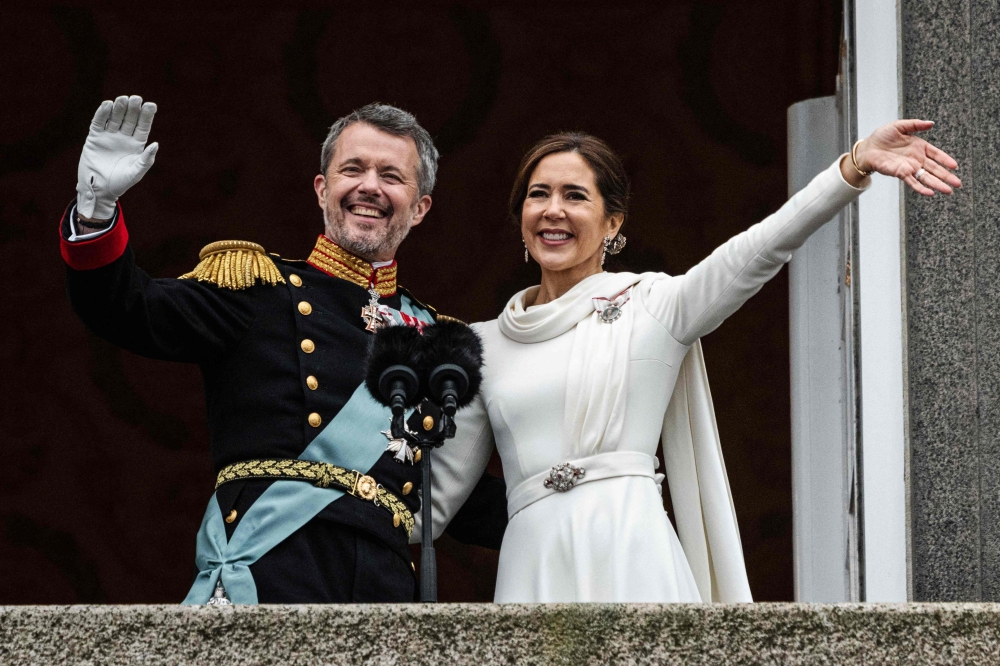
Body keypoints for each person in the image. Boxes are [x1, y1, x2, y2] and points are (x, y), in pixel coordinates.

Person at [422, 121, 960, 602]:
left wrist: (853, 166)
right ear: (520, 218)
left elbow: (761, 248)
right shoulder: (478, 345)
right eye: (538, 195)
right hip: (532, 562)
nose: (553, 210)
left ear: (612, 223)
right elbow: (430, 503)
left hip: (632, 551)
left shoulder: (654, 305)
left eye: (575, 196)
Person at [59, 95, 507, 604]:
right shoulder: (257, 288)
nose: (369, 186)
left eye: (391, 176)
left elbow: (461, 498)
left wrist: (572, 501)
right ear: (322, 188)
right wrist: (95, 209)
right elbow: (126, 308)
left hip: (384, 589)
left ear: (420, 207)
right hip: (269, 571)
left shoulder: (439, 342)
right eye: (353, 169)